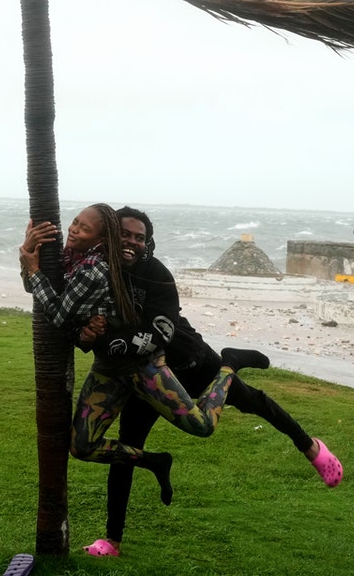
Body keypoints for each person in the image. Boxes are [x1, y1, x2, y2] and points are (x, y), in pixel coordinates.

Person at [80, 206, 343, 557]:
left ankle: (309, 445)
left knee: (252, 402)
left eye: (139, 237)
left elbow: (162, 331)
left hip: (190, 361)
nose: (131, 242)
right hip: (142, 375)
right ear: (112, 236)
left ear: (148, 243)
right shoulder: (99, 270)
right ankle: (111, 540)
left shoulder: (157, 274)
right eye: (125, 234)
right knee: (127, 448)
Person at [20, 204, 253, 506]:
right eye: (124, 235)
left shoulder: (96, 269)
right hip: (109, 368)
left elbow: (60, 313)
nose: (74, 230)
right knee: (81, 446)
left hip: (144, 367)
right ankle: (154, 462)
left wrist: (37, 273)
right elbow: (40, 291)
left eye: (84, 227)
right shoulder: (74, 258)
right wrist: (29, 252)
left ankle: (229, 365)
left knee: (203, 426)